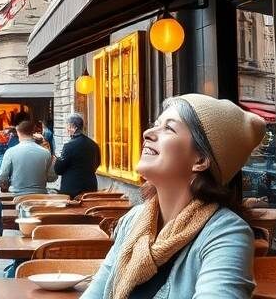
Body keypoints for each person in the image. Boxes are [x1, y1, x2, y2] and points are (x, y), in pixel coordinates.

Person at [80, 94, 265, 299]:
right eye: (155, 124)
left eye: (169, 128)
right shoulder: (134, 221)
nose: (148, 132)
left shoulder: (225, 234)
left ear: (201, 159)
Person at [0, 120, 57, 236]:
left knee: (0, 216)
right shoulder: (45, 153)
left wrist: (7, 183)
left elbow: (2, 177)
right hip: (40, 197)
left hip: (18, 197)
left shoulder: (11, 152)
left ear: (18, 132)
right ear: (33, 132)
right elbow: (52, 178)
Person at [53, 112, 101, 199]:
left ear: (73, 127)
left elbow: (58, 169)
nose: (66, 129)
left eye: (67, 126)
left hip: (72, 190)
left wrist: (57, 160)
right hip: (90, 187)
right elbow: (97, 163)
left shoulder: (69, 146)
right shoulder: (93, 144)